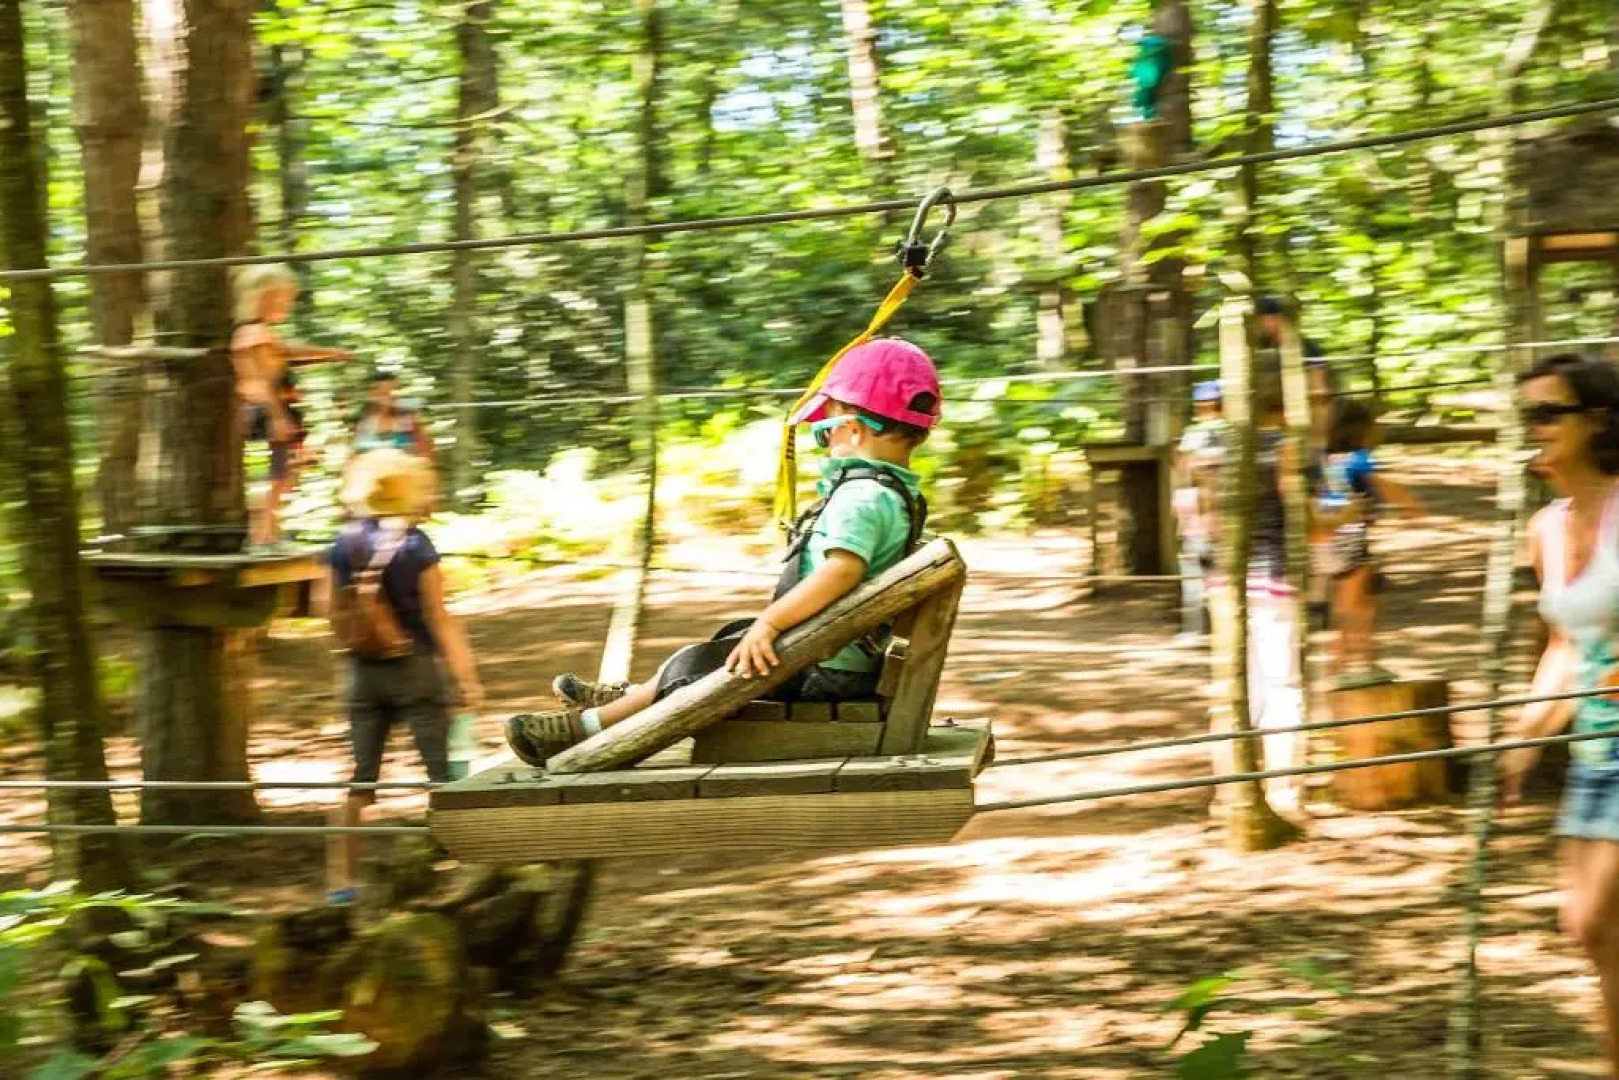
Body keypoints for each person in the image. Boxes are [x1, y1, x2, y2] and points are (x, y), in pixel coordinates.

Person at [504, 337, 941, 765]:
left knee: (700, 670)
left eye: (822, 433)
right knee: (714, 648)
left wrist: (770, 623)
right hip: (835, 654)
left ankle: (589, 729)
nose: (824, 447)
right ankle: (632, 698)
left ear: (853, 429)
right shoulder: (893, 493)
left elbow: (841, 571)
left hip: (824, 671)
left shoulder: (861, 497)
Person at [1501, 353, 1619, 1076]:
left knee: (1602, 918)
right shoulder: (1545, 527)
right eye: (1528, 415)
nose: (1534, 428)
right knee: (1586, 931)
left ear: (1596, 420)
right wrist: (1523, 738)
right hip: (1591, 751)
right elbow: (1563, 647)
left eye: (1548, 413)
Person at [326, 449, 482, 904]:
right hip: (414, 670)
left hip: (360, 673)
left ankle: (341, 884)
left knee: (359, 782)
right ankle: (456, 869)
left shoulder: (342, 544)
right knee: (442, 776)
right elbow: (438, 615)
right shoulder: (416, 544)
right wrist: (466, 678)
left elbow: (326, 609)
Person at [231, 264, 353, 544]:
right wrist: (277, 417)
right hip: (270, 408)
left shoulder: (260, 332)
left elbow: (290, 353)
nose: (288, 304)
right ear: (263, 297)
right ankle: (263, 534)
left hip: (273, 408)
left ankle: (268, 531)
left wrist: (331, 354)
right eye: (283, 297)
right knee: (278, 475)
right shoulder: (254, 335)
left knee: (284, 474)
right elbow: (263, 380)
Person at [1319, 398, 1424, 688]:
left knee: (1345, 605)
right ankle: (1362, 662)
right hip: (1350, 537)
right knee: (1360, 603)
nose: (1380, 429)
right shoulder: (1358, 458)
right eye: (1375, 424)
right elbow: (1379, 483)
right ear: (1359, 430)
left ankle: (1338, 667)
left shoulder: (1326, 459)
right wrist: (1409, 504)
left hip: (1329, 538)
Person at [1173, 380, 1223, 644]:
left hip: (1204, 515)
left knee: (1196, 576)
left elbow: (1183, 469)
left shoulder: (1195, 434)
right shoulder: (1232, 432)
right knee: (1208, 575)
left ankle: (1197, 629)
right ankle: (1207, 628)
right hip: (1205, 514)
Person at [353, 369, 433, 460]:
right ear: (371, 394)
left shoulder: (407, 418)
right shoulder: (365, 421)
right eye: (379, 393)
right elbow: (357, 454)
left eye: (388, 393)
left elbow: (425, 450)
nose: (384, 399)